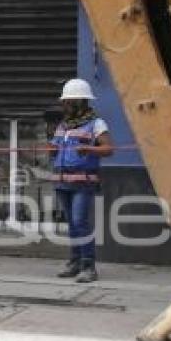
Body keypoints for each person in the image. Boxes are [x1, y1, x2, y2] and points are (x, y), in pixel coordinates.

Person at [49, 79, 114, 283]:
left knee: (80, 222)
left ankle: (88, 266)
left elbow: (108, 149)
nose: (66, 104)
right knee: (72, 225)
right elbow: (55, 148)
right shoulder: (63, 125)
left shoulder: (97, 124)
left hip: (83, 182)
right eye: (65, 101)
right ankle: (75, 262)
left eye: (70, 101)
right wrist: (51, 149)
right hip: (62, 182)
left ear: (82, 101)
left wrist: (90, 149)